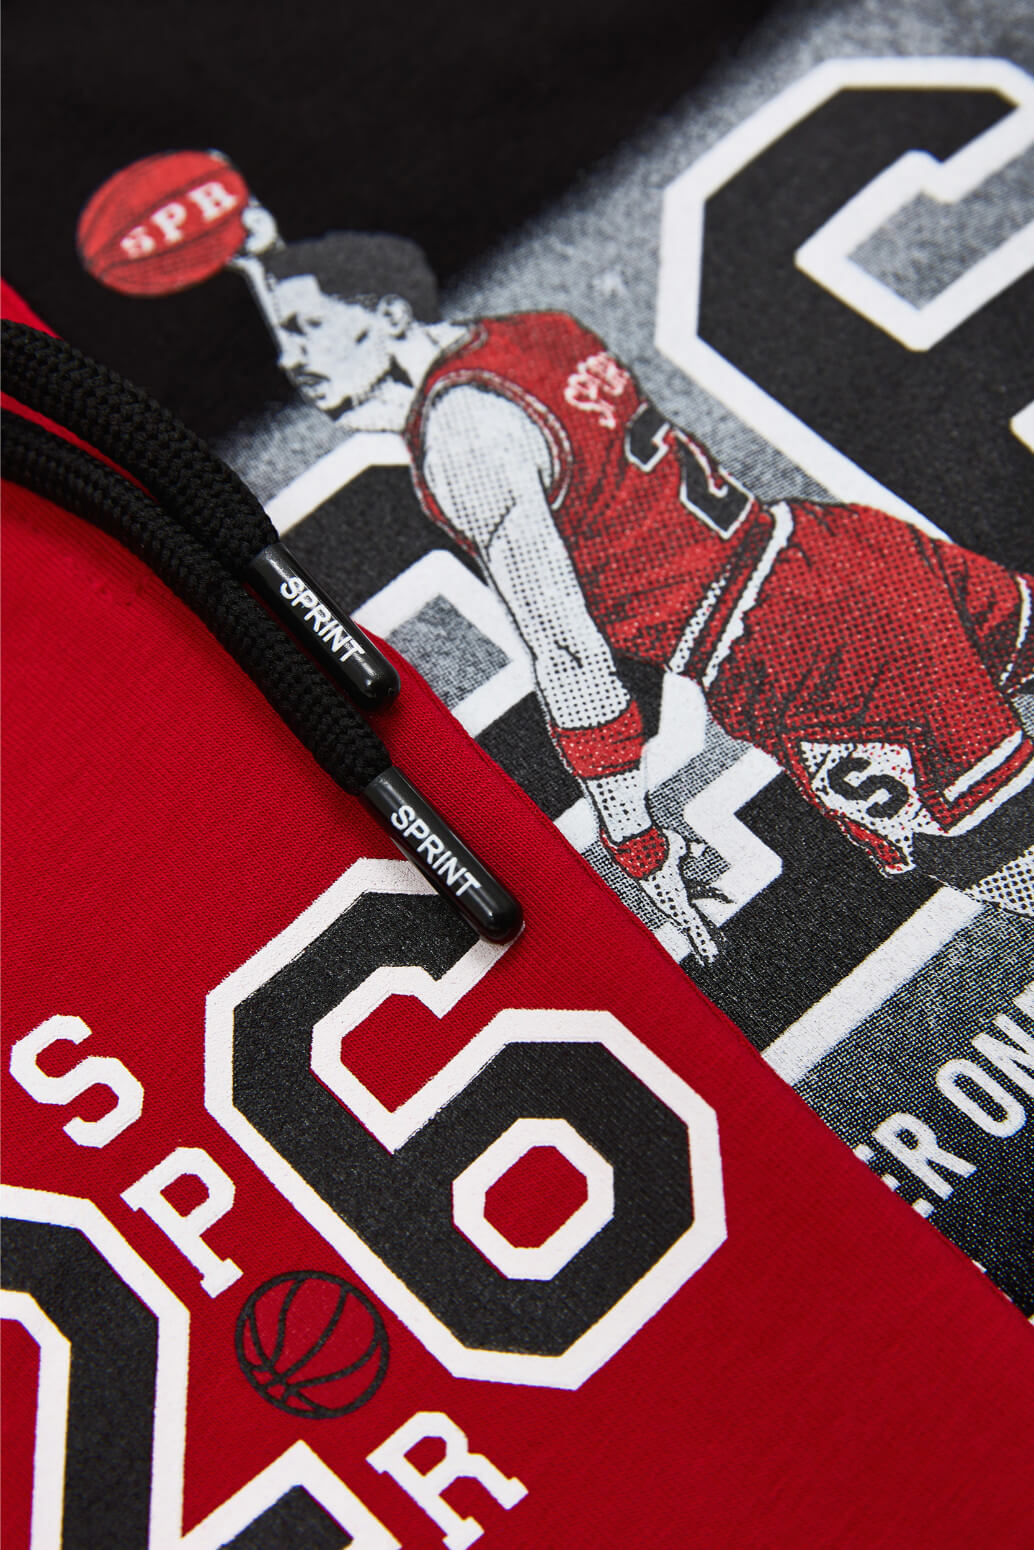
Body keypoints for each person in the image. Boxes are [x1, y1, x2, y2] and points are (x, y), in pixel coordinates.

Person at [230, 206, 1034, 961]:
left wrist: (634, 841)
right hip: (841, 545)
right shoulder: (537, 333)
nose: (289, 359)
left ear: (388, 314)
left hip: (798, 648)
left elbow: (568, 650)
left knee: (1010, 860)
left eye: (305, 329)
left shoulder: (464, 436)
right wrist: (263, 258)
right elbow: (383, 372)